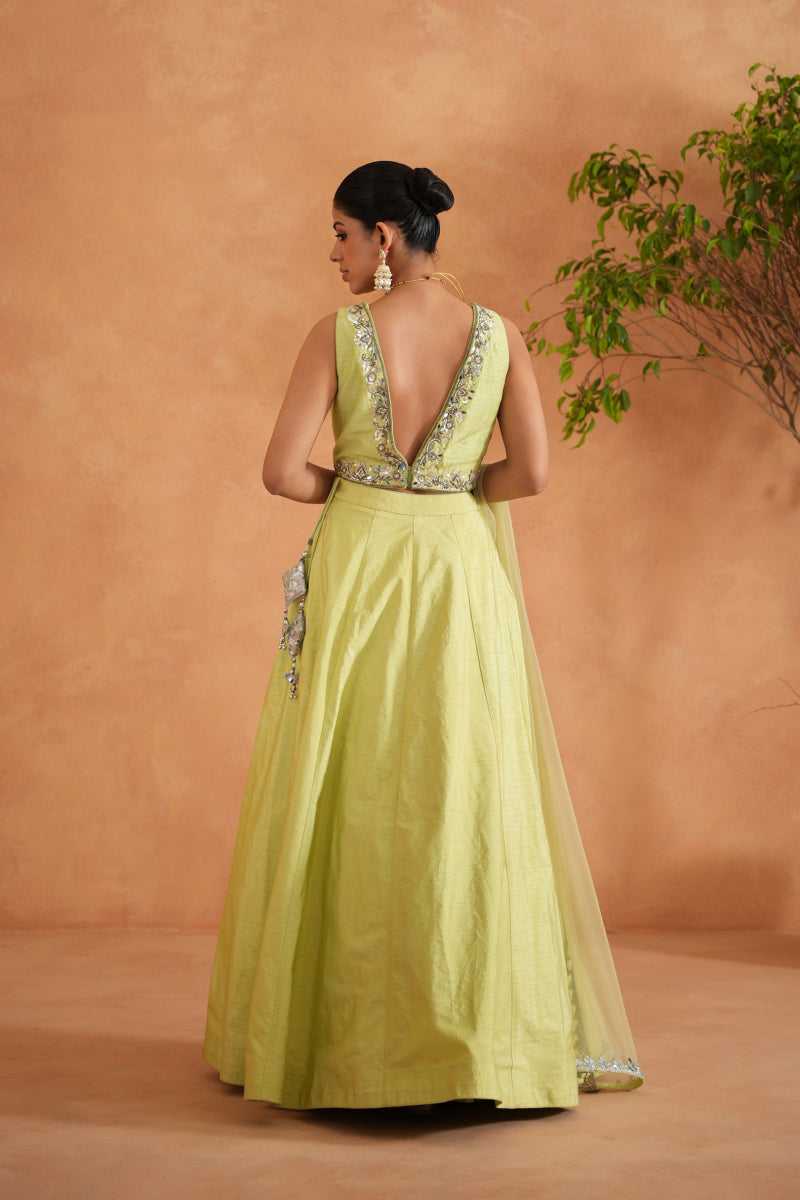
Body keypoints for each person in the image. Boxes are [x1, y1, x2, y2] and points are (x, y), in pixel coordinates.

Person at [203, 161, 644, 1111]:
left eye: (341, 233)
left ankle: (324, 1042)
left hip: (361, 562)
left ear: (385, 237)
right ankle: (481, 1043)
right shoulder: (498, 335)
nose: (334, 253)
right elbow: (530, 474)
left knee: (344, 773)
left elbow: (281, 473)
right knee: (465, 780)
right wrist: (448, 490)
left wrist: (365, 488)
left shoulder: (338, 334)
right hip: (457, 568)